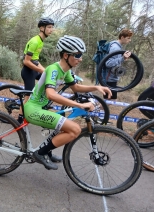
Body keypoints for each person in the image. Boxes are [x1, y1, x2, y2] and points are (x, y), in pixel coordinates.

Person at [24, 35, 112, 170]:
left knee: (65, 124)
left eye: (81, 55)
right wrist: (79, 105)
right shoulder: (54, 69)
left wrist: (96, 87)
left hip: (41, 108)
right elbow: (51, 94)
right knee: (75, 129)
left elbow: (76, 87)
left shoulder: (66, 70)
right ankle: (40, 153)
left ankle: (47, 150)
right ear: (66, 55)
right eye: (77, 55)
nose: (80, 59)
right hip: (33, 109)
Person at [17, 17, 55, 124]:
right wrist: (42, 70)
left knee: (48, 79)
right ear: (42, 28)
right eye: (49, 27)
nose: (51, 30)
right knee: (28, 97)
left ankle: (38, 106)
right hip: (28, 72)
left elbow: (35, 60)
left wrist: (46, 70)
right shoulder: (35, 41)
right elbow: (27, 61)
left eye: (52, 27)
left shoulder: (41, 41)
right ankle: (20, 119)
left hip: (33, 69)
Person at [103, 29, 133, 100]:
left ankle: (100, 109)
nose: (130, 40)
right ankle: (94, 109)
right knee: (109, 100)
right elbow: (108, 63)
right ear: (122, 37)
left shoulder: (118, 47)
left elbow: (115, 61)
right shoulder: (115, 47)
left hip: (112, 78)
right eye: (128, 38)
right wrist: (122, 58)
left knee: (109, 100)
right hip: (109, 79)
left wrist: (123, 58)